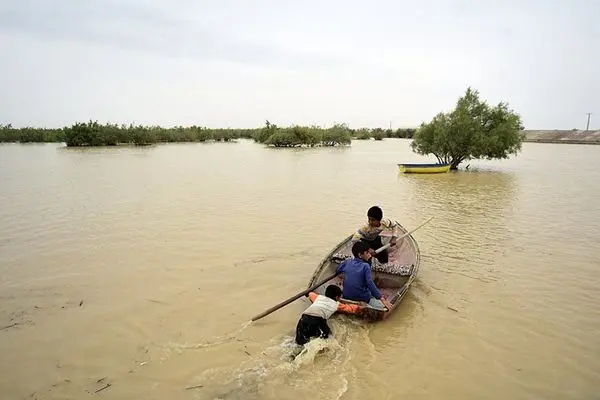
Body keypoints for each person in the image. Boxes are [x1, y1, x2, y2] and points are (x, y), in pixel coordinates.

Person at [295, 284, 362, 346]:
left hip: (303, 319)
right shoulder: (336, 304)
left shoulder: (318, 297)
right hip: (317, 321)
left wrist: (307, 293)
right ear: (336, 297)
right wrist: (360, 308)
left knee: (300, 343)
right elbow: (350, 309)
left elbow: (310, 294)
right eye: (339, 298)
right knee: (327, 340)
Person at [336, 241, 392, 311]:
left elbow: (338, 270)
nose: (370, 255)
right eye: (367, 253)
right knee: (383, 307)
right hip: (362, 298)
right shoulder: (366, 266)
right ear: (360, 255)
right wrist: (382, 299)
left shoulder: (348, 262)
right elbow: (370, 284)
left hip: (346, 296)